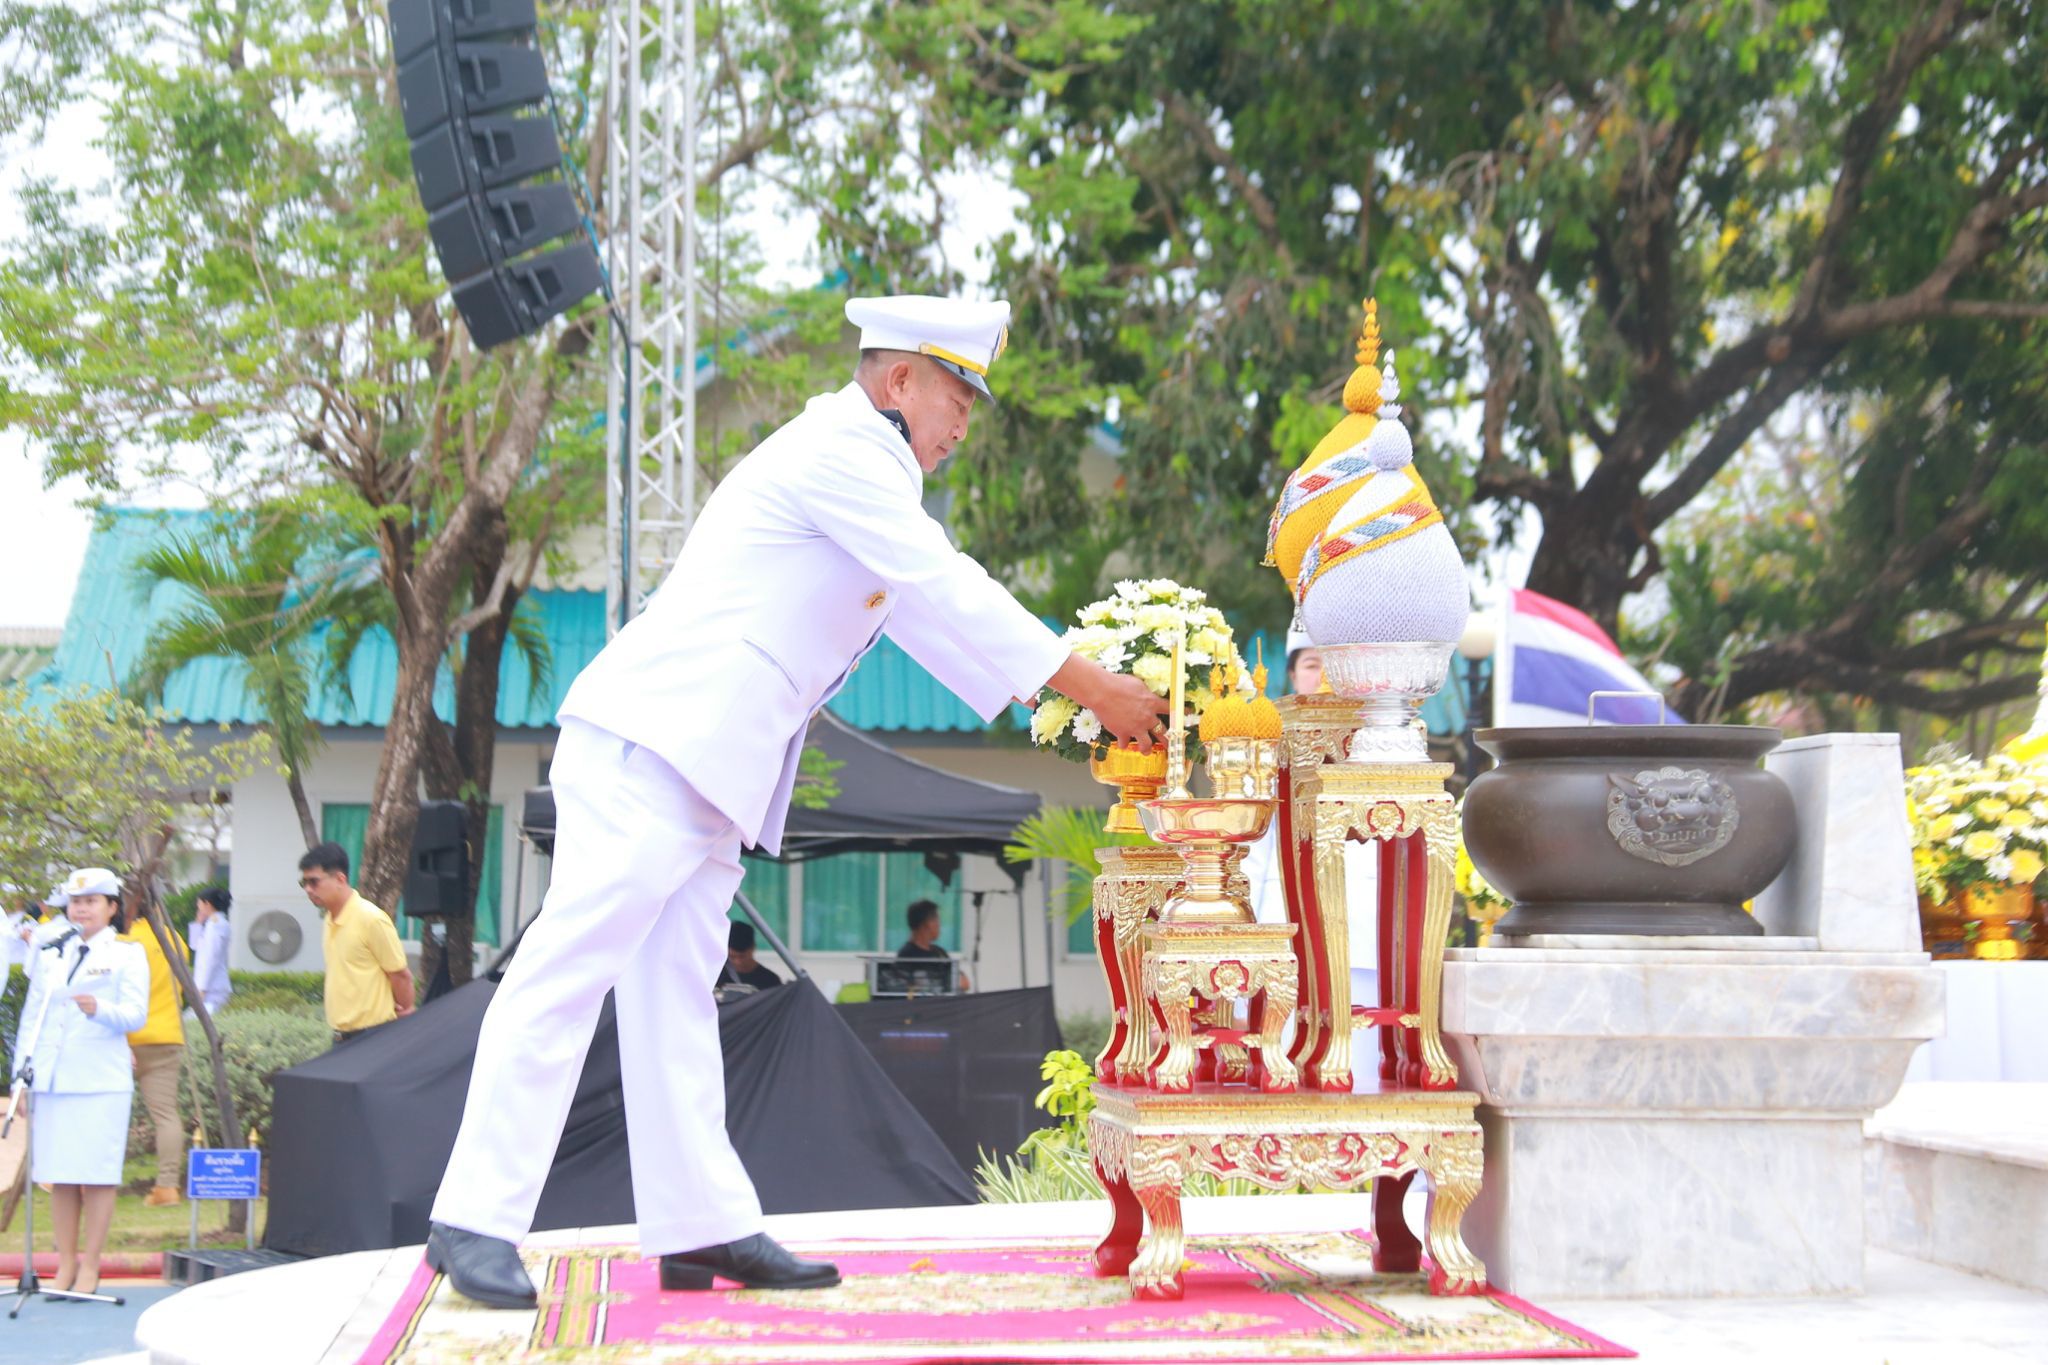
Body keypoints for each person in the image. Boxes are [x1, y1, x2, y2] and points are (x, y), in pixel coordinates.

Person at [425, 294, 1169, 1310]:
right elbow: (941, 586)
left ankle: (700, 1227)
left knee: (674, 1000)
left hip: (698, 766)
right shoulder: (844, 454)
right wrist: (1092, 686)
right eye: (955, 396)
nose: (960, 426)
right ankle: (473, 1216)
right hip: (655, 744)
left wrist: (1067, 693)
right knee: (568, 969)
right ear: (898, 380)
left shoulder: (866, 476)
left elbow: (924, 619)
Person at [10, 868, 149, 1296]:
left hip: (100, 1081)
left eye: (92, 901)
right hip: (53, 1078)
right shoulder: (52, 952)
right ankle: (65, 1264)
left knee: (97, 1174)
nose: (81, 908)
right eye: (75, 901)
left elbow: (135, 1015)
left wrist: (99, 1009)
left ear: (112, 907)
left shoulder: (128, 953)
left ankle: (92, 1264)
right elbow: (33, 1017)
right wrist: (21, 1078)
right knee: (60, 1174)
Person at [299, 843, 414, 1045]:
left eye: (314, 882)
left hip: (375, 1035)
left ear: (340, 879)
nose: (308, 889)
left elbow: (400, 974)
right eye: (304, 883)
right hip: (341, 1036)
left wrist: (405, 1009)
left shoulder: (371, 919)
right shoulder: (329, 919)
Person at [121, 902, 190, 1208]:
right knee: (166, 1116)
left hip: (126, 1039)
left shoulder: (123, 942)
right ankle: (167, 1187)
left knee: (102, 1111)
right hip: (167, 1036)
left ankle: (81, 1180)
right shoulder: (177, 940)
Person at [190, 887, 233, 1013]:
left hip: (213, 989)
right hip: (208, 988)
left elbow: (211, 959)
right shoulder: (210, 924)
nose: (198, 907)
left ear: (207, 903)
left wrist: (202, 988)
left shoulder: (217, 925)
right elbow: (194, 945)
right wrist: (198, 923)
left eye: (199, 903)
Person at [714, 921, 783, 991]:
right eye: (732, 957)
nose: (738, 962)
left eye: (742, 956)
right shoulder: (715, 976)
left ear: (753, 948)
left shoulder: (770, 981)